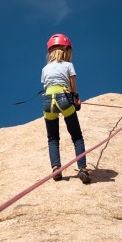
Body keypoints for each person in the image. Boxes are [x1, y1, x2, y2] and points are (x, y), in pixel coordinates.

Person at [41, 33, 90, 184]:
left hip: (48, 102)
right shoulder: (68, 65)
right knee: (76, 136)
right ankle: (82, 169)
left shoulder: (45, 69)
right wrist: (76, 98)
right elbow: (72, 86)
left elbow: (46, 86)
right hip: (64, 99)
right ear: (66, 50)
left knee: (53, 138)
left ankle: (56, 168)